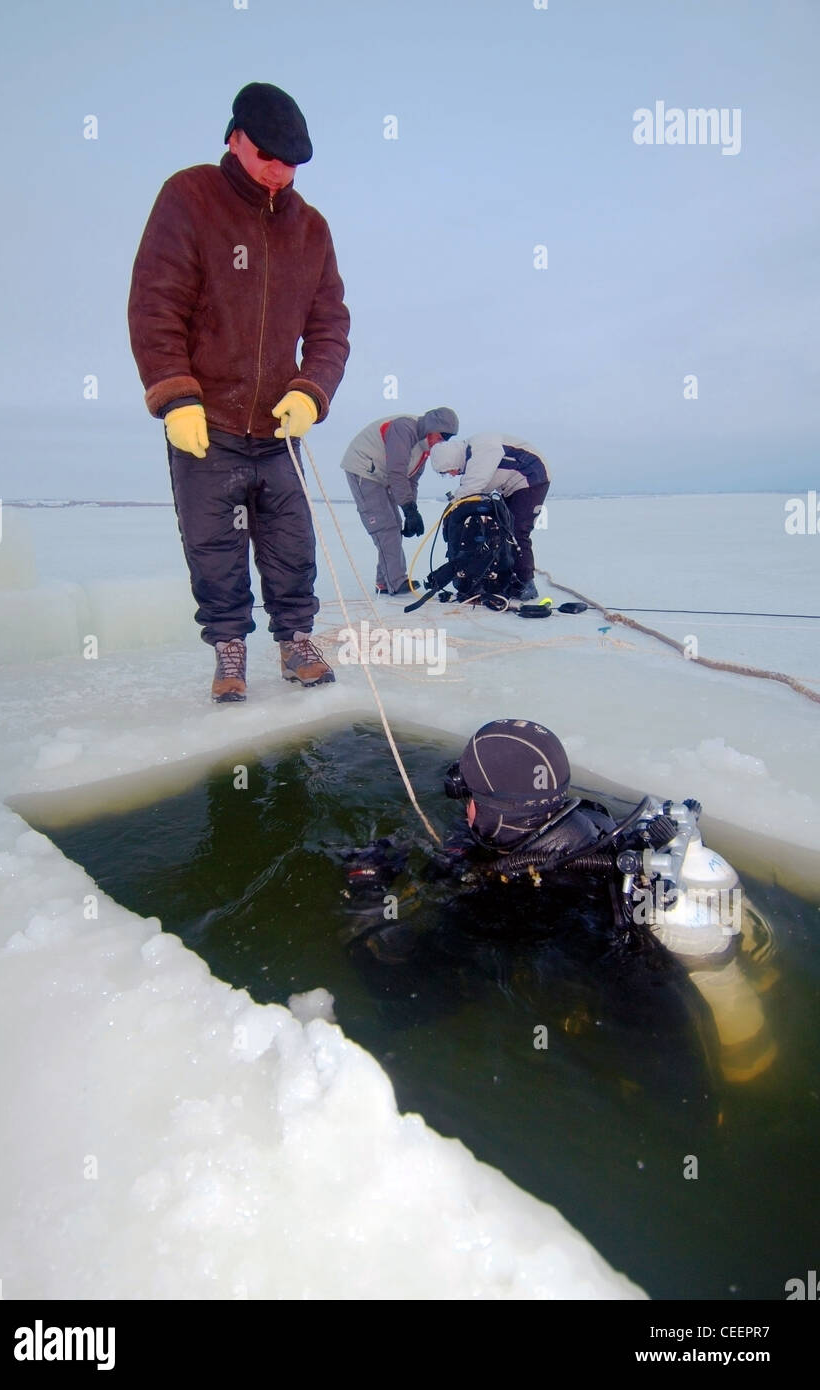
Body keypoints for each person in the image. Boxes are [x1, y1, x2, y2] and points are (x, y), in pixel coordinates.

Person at [344, 718, 777, 1084]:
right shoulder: (596, 824)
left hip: (650, 1071)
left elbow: (406, 994)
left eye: (471, 797)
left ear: (496, 812)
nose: (465, 808)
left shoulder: (504, 904)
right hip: (666, 1020)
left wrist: (367, 891)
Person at [128, 82, 350, 702]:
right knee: (214, 543)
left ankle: (296, 639)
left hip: (278, 430)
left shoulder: (312, 230)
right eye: (269, 158)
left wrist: (311, 390)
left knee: (290, 540)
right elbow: (155, 304)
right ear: (235, 138)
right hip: (208, 424)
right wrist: (174, 394)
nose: (281, 173)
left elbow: (331, 325)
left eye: (293, 164)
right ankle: (229, 650)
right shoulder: (190, 196)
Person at [341, 408, 459, 596]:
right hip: (364, 470)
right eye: (442, 435)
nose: (443, 441)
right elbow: (396, 472)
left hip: (382, 477)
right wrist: (408, 510)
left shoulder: (424, 450)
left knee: (394, 526)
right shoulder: (404, 429)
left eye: (448, 438)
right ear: (432, 427)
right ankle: (396, 581)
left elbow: (411, 480)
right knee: (385, 527)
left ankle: (384, 582)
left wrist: (412, 511)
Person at [430, 434, 550, 601]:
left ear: (451, 460)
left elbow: (475, 483)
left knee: (516, 531)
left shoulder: (482, 448)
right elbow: (476, 487)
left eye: (448, 470)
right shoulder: (473, 458)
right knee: (499, 531)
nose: (451, 474)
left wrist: (456, 502)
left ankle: (526, 582)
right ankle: (505, 576)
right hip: (510, 487)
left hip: (532, 479)